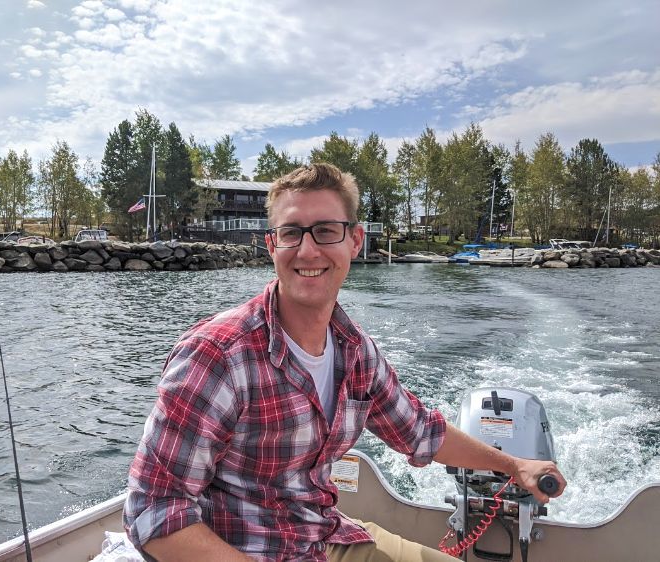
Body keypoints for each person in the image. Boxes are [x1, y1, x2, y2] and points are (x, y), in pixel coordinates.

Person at [124, 163, 566, 562]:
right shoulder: (218, 356)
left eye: (326, 231)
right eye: (291, 232)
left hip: (323, 538)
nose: (308, 250)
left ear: (355, 240)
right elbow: (154, 512)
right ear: (270, 245)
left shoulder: (354, 351)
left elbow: (419, 431)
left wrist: (515, 466)